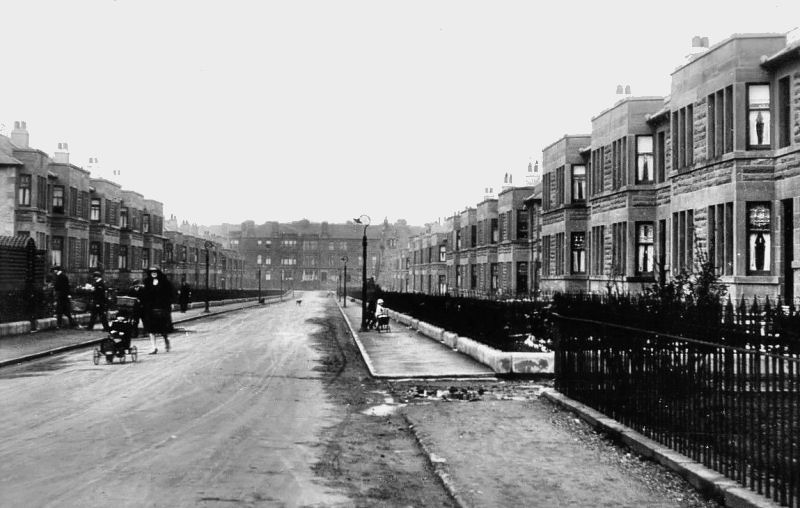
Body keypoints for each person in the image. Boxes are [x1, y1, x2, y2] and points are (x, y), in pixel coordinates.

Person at [140, 267, 174, 354]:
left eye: (155, 272)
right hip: (150, 308)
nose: (153, 273)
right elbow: (144, 294)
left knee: (163, 329)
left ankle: (166, 340)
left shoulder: (164, 282)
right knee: (151, 329)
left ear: (158, 272)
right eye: (152, 272)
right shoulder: (147, 282)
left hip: (162, 307)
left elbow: (170, 293)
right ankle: (153, 347)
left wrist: (170, 304)